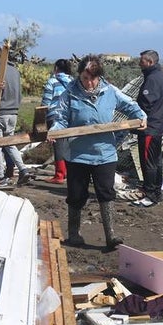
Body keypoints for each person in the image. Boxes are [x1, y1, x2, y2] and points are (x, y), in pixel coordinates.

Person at [50, 55, 146, 251]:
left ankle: (111, 235)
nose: (89, 83)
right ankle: (74, 234)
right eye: (85, 78)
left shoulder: (110, 91)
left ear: (99, 76)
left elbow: (130, 106)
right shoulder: (70, 93)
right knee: (76, 194)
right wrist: (55, 130)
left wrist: (141, 117)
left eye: (93, 78)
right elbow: (60, 117)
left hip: (105, 153)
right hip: (78, 153)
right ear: (79, 76)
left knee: (106, 192)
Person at [0, 45, 32, 187]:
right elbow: (20, 94)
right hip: (13, 113)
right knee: (10, 144)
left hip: (0, 113)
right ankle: (23, 169)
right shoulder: (15, 71)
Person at [132, 49, 163, 208]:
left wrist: (136, 117)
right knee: (155, 161)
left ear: (150, 62)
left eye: (142, 61)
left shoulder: (153, 79)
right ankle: (156, 192)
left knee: (148, 161)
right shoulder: (160, 77)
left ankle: (150, 194)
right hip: (157, 125)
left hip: (149, 126)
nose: (139, 64)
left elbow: (146, 103)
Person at [40, 58, 73, 184]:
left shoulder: (52, 81)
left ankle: (59, 175)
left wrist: (42, 114)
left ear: (56, 69)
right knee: (68, 145)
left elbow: (46, 101)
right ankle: (67, 172)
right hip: (70, 116)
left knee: (57, 145)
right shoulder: (73, 81)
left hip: (54, 115)